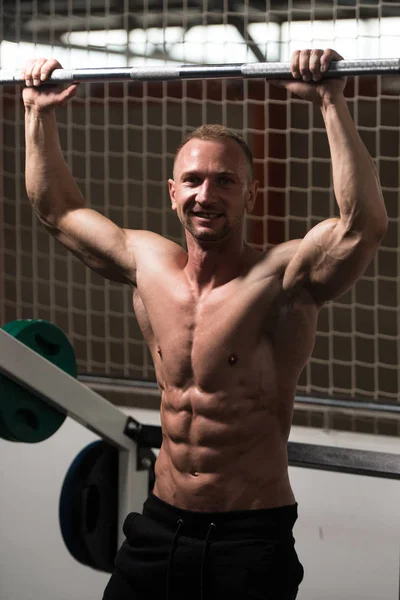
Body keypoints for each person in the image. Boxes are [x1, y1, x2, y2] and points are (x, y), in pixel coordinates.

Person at [21, 48, 387, 600]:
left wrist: (331, 101)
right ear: (173, 193)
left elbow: (363, 228)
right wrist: (37, 112)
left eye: (224, 181)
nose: (205, 195)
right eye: (192, 180)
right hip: (158, 524)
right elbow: (56, 209)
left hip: (249, 539)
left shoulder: (281, 281)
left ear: (250, 194)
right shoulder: (146, 265)